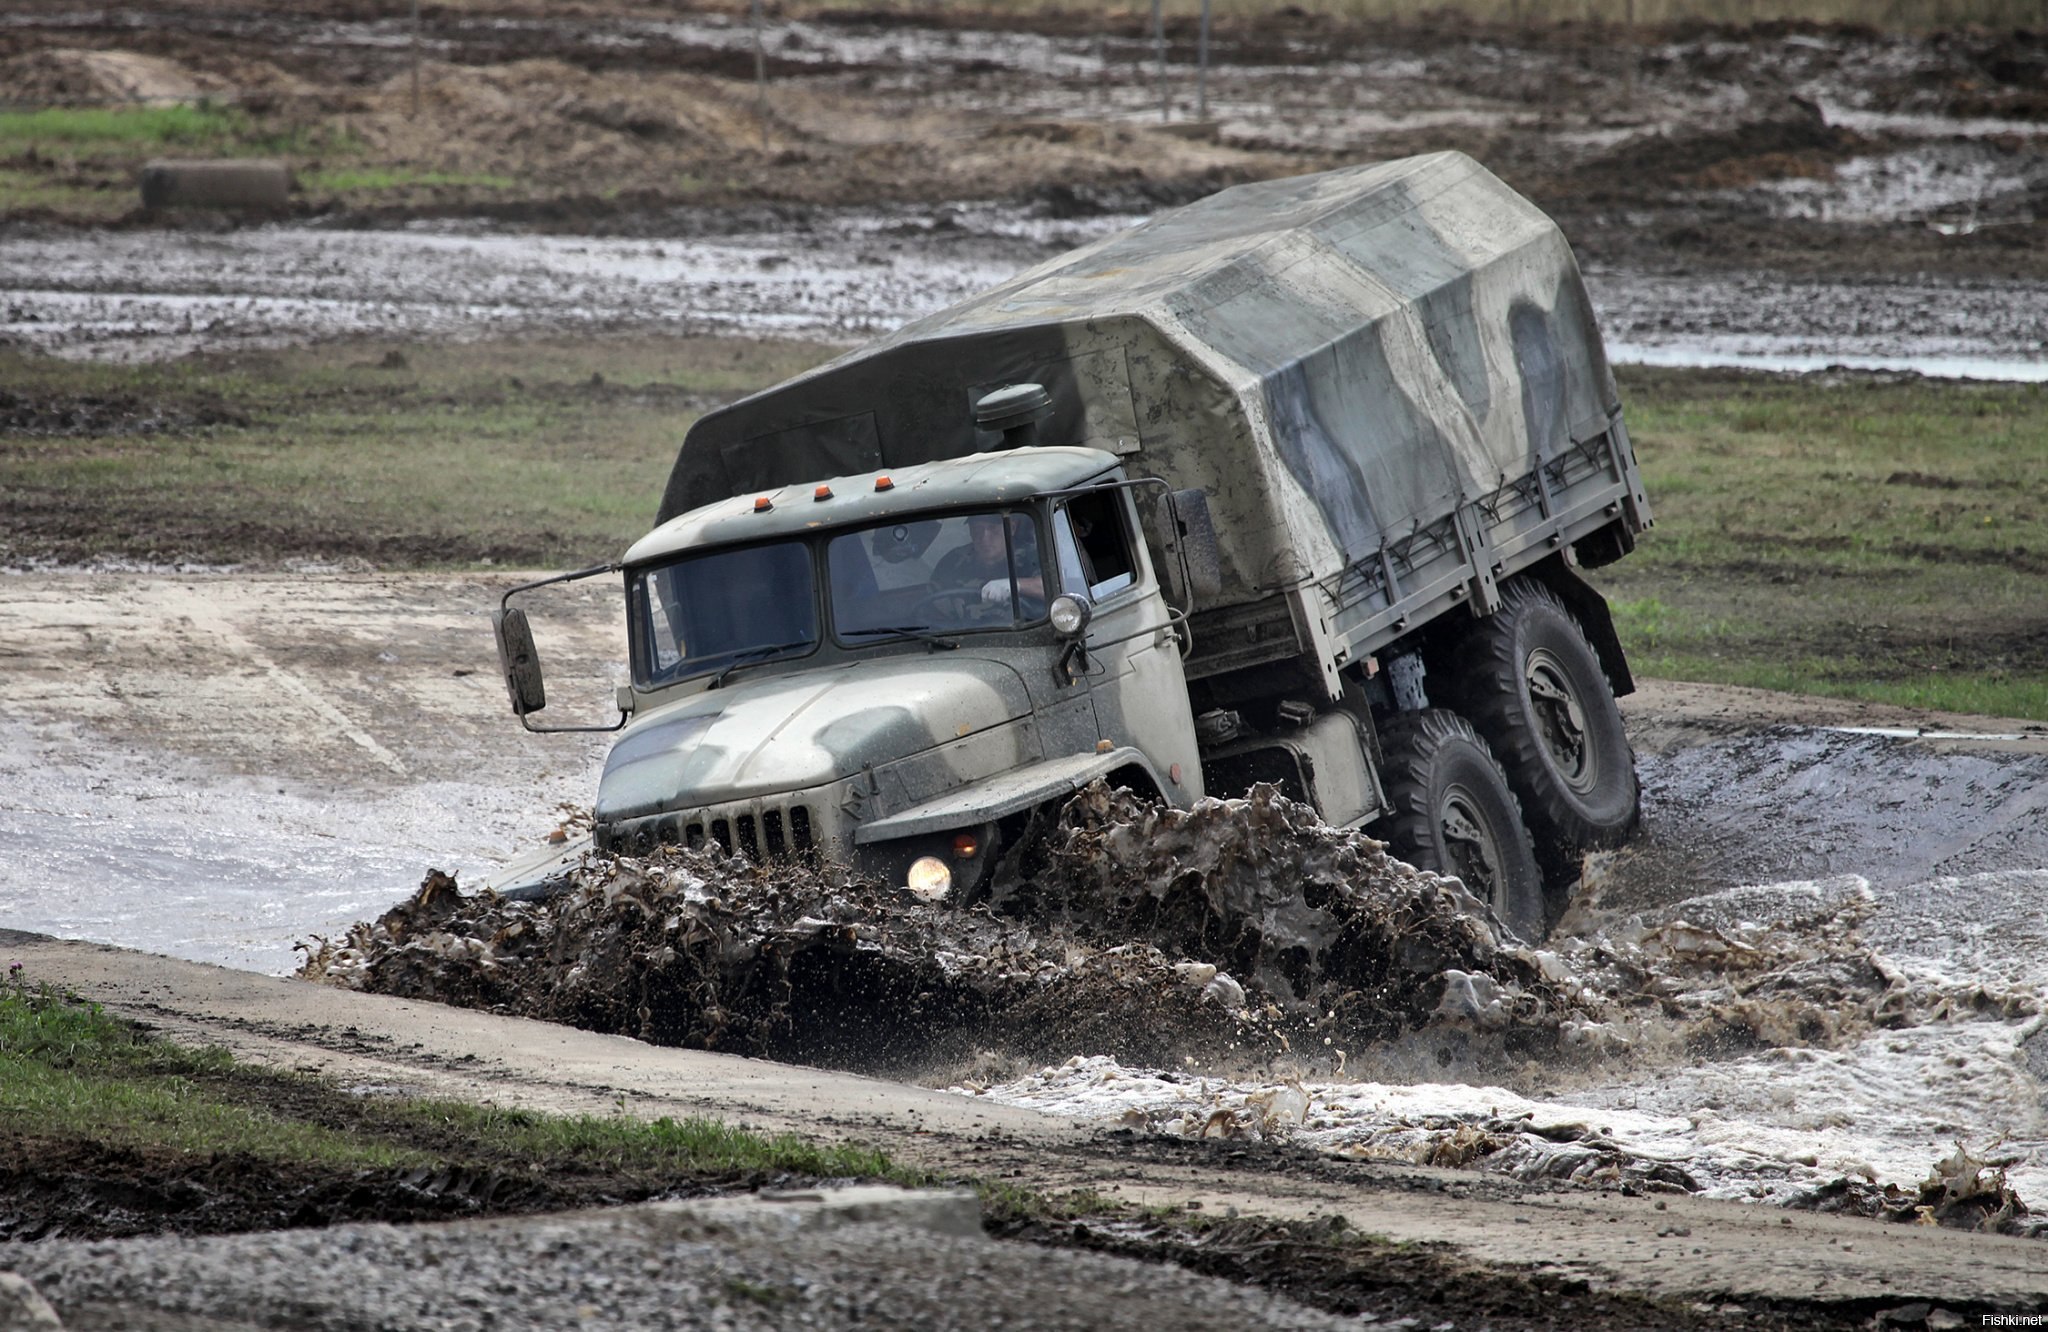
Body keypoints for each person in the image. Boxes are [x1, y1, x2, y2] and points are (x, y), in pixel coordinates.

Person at [932, 512, 1044, 608]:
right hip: (965, 630)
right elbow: (931, 605)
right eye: (977, 529)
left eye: (993, 528)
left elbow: (1053, 588)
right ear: (970, 531)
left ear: (1011, 528)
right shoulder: (952, 562)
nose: (984, 538)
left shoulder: (1033, 555)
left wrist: (1015, 585)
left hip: (1025, 628)